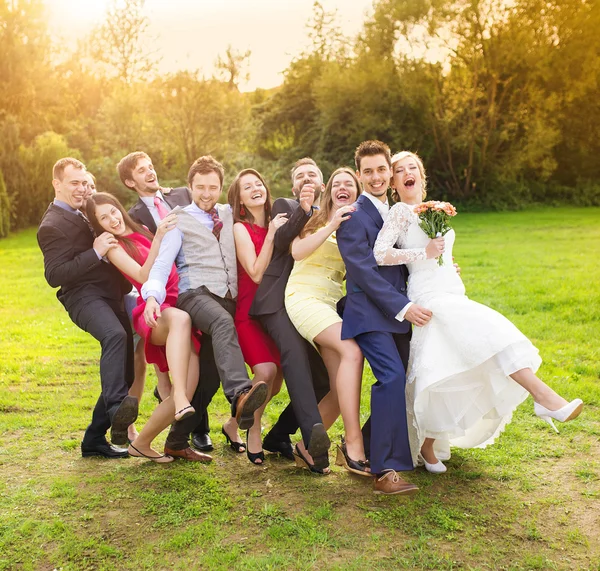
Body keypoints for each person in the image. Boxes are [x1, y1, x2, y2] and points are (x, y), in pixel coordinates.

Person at [373, 151, 584, 473]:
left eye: (412, 167)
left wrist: (447, 264)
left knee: (449, 367)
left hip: (452, 290)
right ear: (393, 182)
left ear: (421, 174)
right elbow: (379, 253)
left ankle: (429, 446)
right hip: (429, 296)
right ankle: (545, 398)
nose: (406, 173)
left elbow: (441, 255)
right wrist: (423, 252)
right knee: (492, 333)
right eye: (399, 170)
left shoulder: (437, 210)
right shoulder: (400, 212)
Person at [141, 155, 269, 448]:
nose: (207, 193)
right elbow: (162, 264)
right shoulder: (177, 220)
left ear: (222, 188)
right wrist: (151, 296)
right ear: (190, 186)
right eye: (200, 187)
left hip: (227, 298)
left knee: (209, 377)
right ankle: (240, 394)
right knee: (224, 323)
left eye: (213, 187)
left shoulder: (228, 213)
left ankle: (176, 440)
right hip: (194, 295)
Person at [86, 192, 212, 463]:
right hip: (153, 310)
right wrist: (159, 238)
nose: (112, 220)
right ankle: (176, 394)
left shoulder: (140, 229)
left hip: (178, 303)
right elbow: (142, 275)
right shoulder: (112, 246)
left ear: (120, 208)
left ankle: (142, 443)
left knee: (189, 391)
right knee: (180, 320)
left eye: (113, 211)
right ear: (99, 225)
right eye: (103, 218)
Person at [336, 140, 428, 495]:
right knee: (390, 377)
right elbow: (362, 271)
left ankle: (372, 447)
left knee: (404, 381)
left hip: (395, 311)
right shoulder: (354, 216)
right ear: (359, 175)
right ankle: (385, 471)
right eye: (368, 171)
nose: (375, 177)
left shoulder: (395, 211)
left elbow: (399, 260)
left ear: (390, 172)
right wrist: (403, 307)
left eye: (381, 170)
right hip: (368, 313)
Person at [37, 158, 137, 458]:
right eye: (73, 183)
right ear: (57, 184)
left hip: (111, 294)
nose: (81, 189)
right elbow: (54, 275)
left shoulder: (85, 211)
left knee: (126, 372)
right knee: (115, 336)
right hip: (82, 296)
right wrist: (95, 252)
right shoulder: (51, 225)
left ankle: (94, 439)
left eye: (84, 182)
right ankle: (119, 408)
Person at [118, 151, 216, 454]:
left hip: (195, 286)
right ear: (129, 181)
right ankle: (179, 431)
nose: (150, 173)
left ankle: (192, 430)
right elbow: (149, 262)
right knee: (179, 376)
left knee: (197, 369)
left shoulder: (184, 194)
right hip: (162, 295)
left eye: (150, 167)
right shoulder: (133, 217)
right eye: (141, 171)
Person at [285, 167, 371, 476]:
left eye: (350, 184)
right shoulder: (315, 219)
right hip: (303, 297)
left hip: (331, 304)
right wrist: (331, 223)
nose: (343, 187)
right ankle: (352, 444)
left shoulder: (358, 225)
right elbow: (297, 252)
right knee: (352, 351)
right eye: (338, 183)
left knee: (339, 390)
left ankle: (307, 448)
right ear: (329, 190)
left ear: (357, 193)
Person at [249, 158, 332, 473]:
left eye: (313, 174)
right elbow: (282, 240)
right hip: (277, 301)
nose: (306, 178)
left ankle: (278, 436)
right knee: (296, 356)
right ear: (294, 185)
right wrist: (305, 209)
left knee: (322, 379)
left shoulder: (331, 218)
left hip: (310, 302)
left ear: (323, 184)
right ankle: (314, 441)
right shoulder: (285, 206)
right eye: (300, 176)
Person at [228, 168, 287, 464]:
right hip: (249, 314)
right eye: (246, 186)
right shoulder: (240, 228)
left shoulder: (280, 221)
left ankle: (232, 424)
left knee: (275, 385)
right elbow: (254, 271)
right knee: (265, 373)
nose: (255, 188)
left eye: (258, 183)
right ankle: (254, 432)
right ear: (239, 199)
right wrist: (273, 234)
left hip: (274, 313)